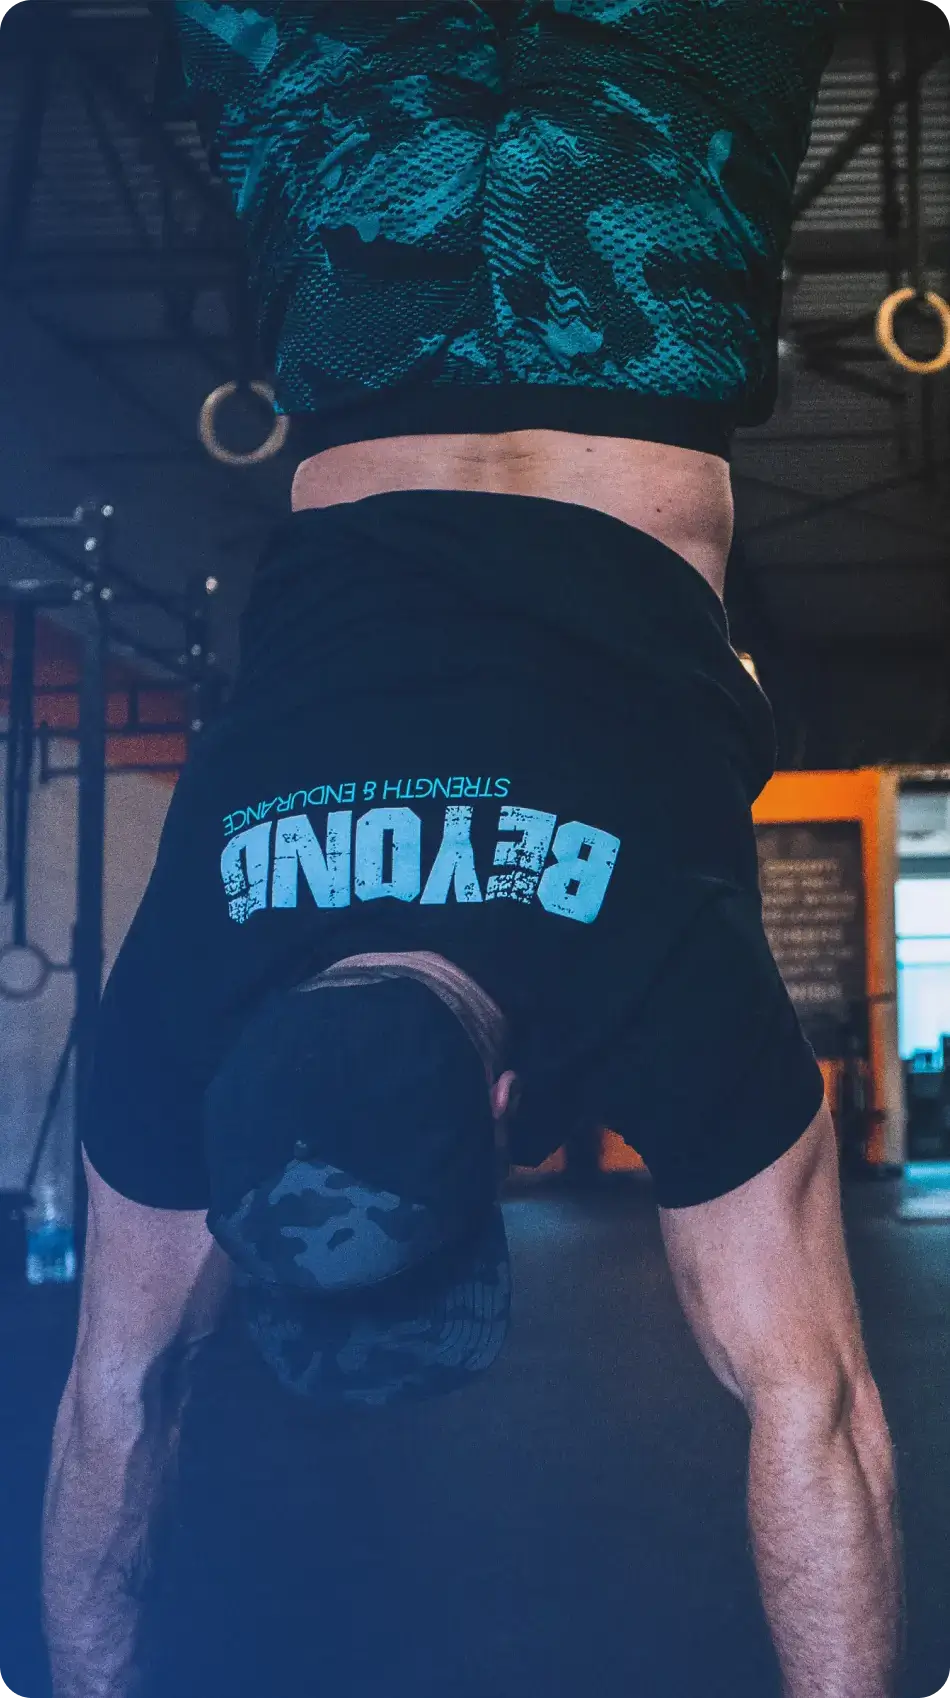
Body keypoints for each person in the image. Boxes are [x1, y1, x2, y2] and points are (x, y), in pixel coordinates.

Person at [42, 4, 902, 1697]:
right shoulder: (175, 1013)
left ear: (514, 1117)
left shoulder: (656, 981)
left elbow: (818, 1417)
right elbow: (109, 1404)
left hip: (638, 255)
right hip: (370, 260)